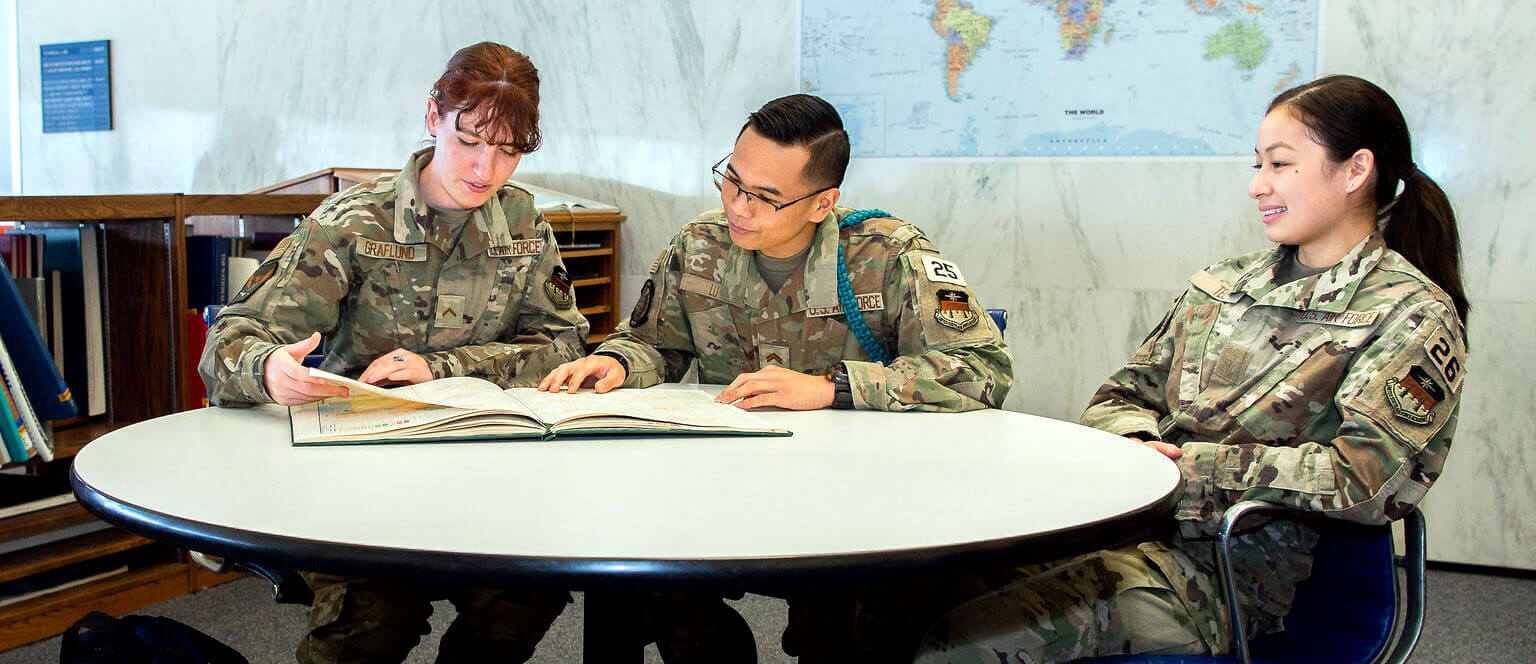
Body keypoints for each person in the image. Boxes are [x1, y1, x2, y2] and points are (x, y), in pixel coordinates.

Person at [909, 75, 1469, 662]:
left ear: (1355, 170)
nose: (1257, 186)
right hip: (1111, 526)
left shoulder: (1409, 314)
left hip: (1224, 574)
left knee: (954, 646)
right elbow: (1122, 393)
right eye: (1257, 165)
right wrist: (1136, 443)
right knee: (900, 592)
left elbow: (1363, 482)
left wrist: (1178, 471)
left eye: (1280, 165)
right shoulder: (1224, 283)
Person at [538, 93, 1013, 661]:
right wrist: (615, 362)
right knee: (649, 588)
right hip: (721, 490)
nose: (739, 207)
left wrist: (831, 387)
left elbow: (982, 368)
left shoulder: (888, 255)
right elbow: (650, 342)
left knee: (842, 628)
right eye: (731, 180)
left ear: (822, 203)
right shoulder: (699, 246)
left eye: (765, 197)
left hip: (852, 500)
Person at [199, 42, 586, 664]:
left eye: (508, 151)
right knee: (374, 623)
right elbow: (230, 341)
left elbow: (563, 342)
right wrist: (269, 369)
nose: (486, 170)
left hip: (483, 473)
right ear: (433, 116)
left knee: (529, 595)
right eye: (470, 141)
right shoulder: (354, 223)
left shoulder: (524, 224)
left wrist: (443, 368)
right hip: (362, 477)